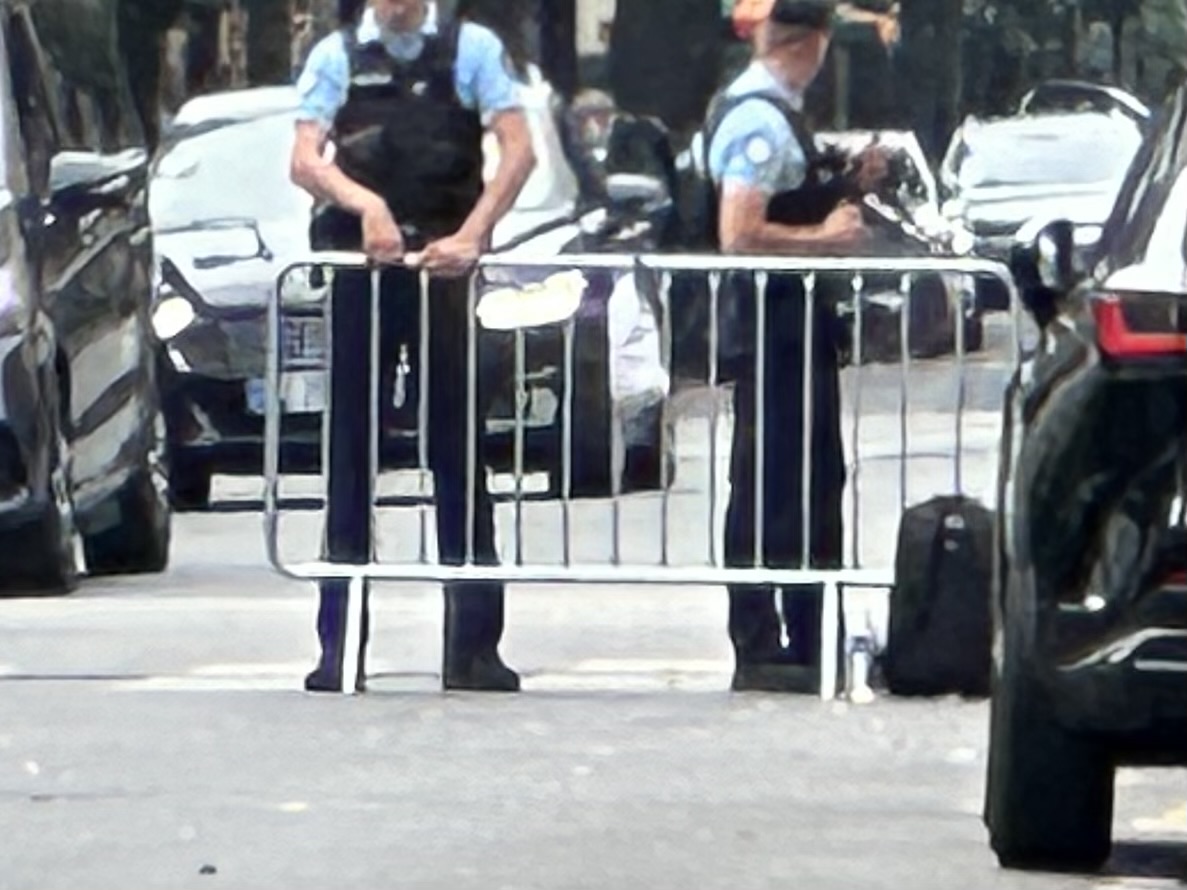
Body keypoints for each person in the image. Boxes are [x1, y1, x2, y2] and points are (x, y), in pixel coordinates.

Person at [289, 0, 536, 693]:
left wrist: (474, 235)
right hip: (361, 271)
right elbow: (305, 159)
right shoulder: (336, 54)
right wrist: (364, 206)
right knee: (349, 455)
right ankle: (339, 647)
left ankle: (474, 648)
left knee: (457, 449)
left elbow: (518, 150)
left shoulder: (471, 49)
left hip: (442, 269)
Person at [703, 0, 885, 693]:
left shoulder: (773, 111)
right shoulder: (756, 117)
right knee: (770, 484)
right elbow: (739, 232)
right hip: (769, 324)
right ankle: (762, 642)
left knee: (809, 480)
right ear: (809, 45)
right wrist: (829, 241)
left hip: (791, 324)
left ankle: (806, 634)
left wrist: (845, 183)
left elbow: (784, 204)